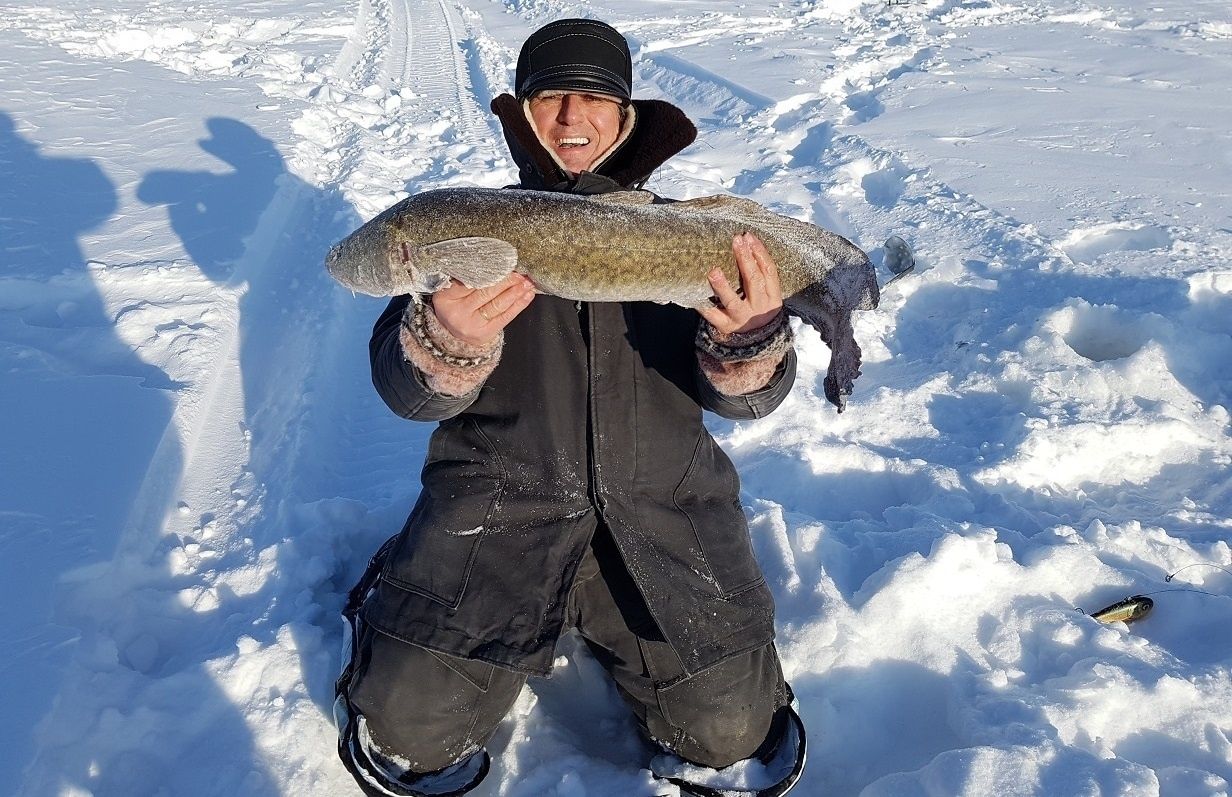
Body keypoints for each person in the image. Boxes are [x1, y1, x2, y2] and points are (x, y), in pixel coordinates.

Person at [333, 18, 807, 797]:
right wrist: (444, 341)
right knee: (408, 733)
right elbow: (402, 388)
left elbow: (754, 401)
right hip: (499, 521)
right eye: (550, 97)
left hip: (662, 523)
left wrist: (750, 343)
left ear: (626, 117)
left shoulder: (686, 237)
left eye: (594, 98)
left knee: (731, 732)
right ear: (523, 113)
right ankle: (400, 590)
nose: (571, 118)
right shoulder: (466, 227)